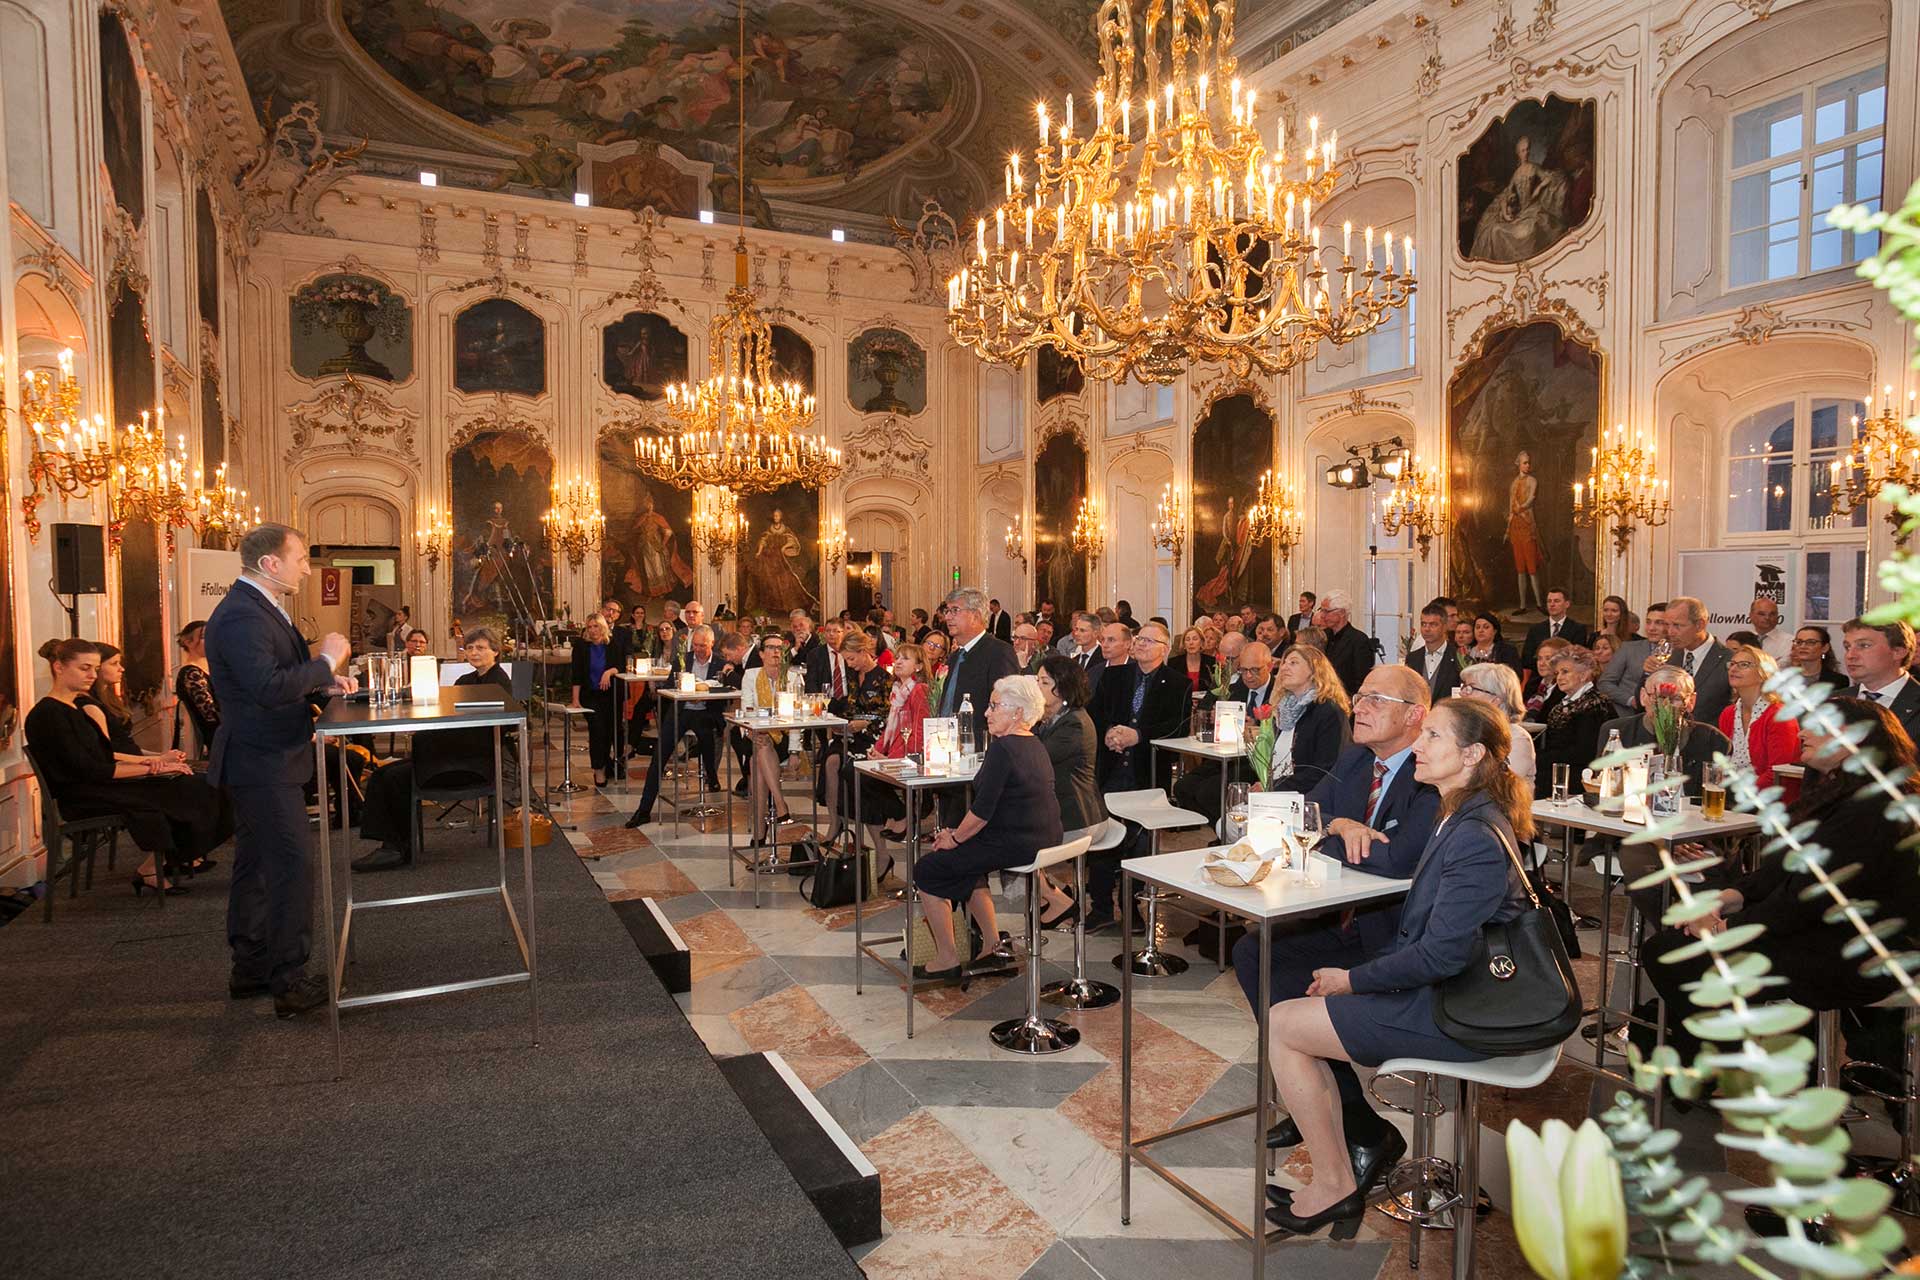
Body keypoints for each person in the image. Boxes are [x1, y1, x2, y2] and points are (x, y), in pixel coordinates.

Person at [1260, 698, 1533, 1235]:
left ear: (1473, 754)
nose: (1418, 748)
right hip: (1446, 988)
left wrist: (1352, 981)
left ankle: (1334, 1182)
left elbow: (1443, 955)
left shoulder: (1475, 834)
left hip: (1462, 1007)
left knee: (1285, 1025)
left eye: (1432, 737)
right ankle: (1337, 1173)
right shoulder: (1458, 813)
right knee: (1289, 1001)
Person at [1641, 697, 1920, 1069]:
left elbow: (1807, 896)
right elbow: (1782, 868)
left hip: (1860, 951)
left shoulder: (1873, 805)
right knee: (1676, 938)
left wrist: (1728, 927)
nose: (1802, 732)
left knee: (1674, 955)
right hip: (1824, 929)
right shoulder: (1839, 787)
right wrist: (1730, 897)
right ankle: (1725, 1062)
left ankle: (1732, 1069)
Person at [1233, 665, 1439, 1166]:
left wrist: (1331, 832)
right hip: (1343, 914)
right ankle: (1340, 1110)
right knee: (1255, 951)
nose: (1358, 707)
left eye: (1375, 700)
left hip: (1397, 936)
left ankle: (1339, 1113)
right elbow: (1300, 817)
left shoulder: (1431, 771)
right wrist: (1343, 825)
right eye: (1359, 697)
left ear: (1415, 715)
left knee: (1278, 967)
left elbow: (1396, 860)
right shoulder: (1353, 760)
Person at [203, 523, 354, 1018]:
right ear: (270, 564)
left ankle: (250, 966)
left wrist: (322, 685)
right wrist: (327, 660)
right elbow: (267, 688)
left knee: (255, 866)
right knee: (291, 866)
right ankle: (288, 979)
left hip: (262, 756)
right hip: (261, 760)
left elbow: (273, 680)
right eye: (302, 559)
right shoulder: (243, 616)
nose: (308, 568)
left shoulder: (261, 609)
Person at [28, 639, 227, 896]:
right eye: (84, 668)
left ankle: (168, 860)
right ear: (58, 667)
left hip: (101, 785)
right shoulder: (49, 714)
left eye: (95, 668)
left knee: (203, 784)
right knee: (196, 787)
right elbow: (93, 769)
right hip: (86, 795)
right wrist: (155, 768)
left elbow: (103, 757)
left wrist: (154, 764)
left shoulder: (72, 708)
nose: (92, 675)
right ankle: (163, 862)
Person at [912, 675, 1061, 983]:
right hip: (1040, 835)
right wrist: (959, 836)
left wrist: (953, 837)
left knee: (927, 869)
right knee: (970, 864)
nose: (986, 713)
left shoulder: (1004, 749)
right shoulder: (1034, 743)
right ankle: (992, 946)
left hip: (1017, 841)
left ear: (1018, 712)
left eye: (994, 706)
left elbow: (981, 813)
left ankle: (947, 958)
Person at [351, 629, 515, 872]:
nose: (473, 652)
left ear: (495, 651)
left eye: (480, 648)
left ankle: (396, 848)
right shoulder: (465, 681)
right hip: (449, 756)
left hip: (471, 764)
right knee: (382, 774)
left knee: (394, 778)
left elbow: (497, 727)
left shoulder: (499, 683)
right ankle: (393, 845)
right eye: (469, 648)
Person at [625, 623, 727, 827]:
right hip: (682, 711)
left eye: (702, 646)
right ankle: (644, 810)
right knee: (659, 755)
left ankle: (712, 775)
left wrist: (706, 694)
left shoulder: (720, 663)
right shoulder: (684, 659)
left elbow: (727, 692)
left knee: (707, 737)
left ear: (712, 643)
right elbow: (671, 684)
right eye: (695, 645)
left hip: (706, 713)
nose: (698, 650)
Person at [1030, 654, 1104, 929]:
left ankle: (1055, 899)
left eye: (1043, 681)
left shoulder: (1073, 723)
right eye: (1037, 680)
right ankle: (1046, 897)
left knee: (1011, 840)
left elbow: (1036, 760)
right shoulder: (1051, 718)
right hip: (1059, 810)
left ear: (1060, 690)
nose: (1036, 686)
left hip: (1079, 817)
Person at [1175, 641, 1276, 823]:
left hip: (1258, 762)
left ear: (1269, 666)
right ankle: (1219, 826)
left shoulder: (1279, 692)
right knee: (1183, 787)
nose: (1248, 676)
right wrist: (1218, 717)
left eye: (1255, 670)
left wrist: (1258, 726)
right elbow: (1207, 708)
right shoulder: (1235, 688)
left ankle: (1227, 830)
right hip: (1229, 754)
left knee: (1209, 792)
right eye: (1243, 670)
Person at [817, 631, 892, 845]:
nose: (849, 665)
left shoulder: (884, 679)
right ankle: (835, 821)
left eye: (851, 659)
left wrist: (866, 722)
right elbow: (850, 707)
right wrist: (842, 724)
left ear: (863, 652)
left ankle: (879, 847)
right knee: (830, 760)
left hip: (873, 738)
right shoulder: (851, 677)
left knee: (855, 773)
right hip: (851, 734)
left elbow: (889, 714)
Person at [737, 633, 807, 846]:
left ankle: (759, 831)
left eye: (779, 648)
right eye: (770, 647)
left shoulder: (794, 677)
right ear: (761, 654)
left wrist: (795, 751)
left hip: (785, 736)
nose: (776, 652)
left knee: (757, 762)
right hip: (756, 733)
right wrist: (753, 730)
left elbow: (798, 718)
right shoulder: (750, 675)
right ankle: (780, 805)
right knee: (761, 745)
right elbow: (747, 708)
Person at [1262, 644, 1353, 795]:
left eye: (1293, 662)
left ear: (1314, 670)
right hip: (1279, 793)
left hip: (1312, 799)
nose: (1284, 667)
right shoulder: (1282, 709)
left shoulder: (1328, 711)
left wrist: (1273, 787)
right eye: (1284, 663)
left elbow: (1325, 770)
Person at [866, 643, 933, 843]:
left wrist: (889, 759)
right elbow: (891, 727)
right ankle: (896, 816)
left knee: (867, 779)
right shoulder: (898, 689)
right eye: (897, 658)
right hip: (895, 750)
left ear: (919, 666)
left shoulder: (919, 689)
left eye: (905, 658)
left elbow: (919, 731)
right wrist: (877, 750)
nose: (898, 662)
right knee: (853, 771)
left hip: (911, 754)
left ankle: (902, 816)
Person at [1533, 646, 1614, 798]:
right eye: (1557, 673)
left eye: (1565, 672)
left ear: (1583, 675)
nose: (1559, 678)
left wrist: (1538, 758)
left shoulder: (1595, 704)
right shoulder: (1562, 702)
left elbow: (1583, 753)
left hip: (1581, 775)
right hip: (1557, 767)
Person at [1720, 644, 1800, 789]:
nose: (1733, 669)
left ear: (1763, 673)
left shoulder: (1780, 716)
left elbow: (1778, 773)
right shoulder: (1728, 713)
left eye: (1744, 664)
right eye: (1732, 664)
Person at [570, 614, 629, 787]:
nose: (593, 630)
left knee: (611, 731)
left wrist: (609, 672)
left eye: (596, 626)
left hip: (611, 694)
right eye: (589, 627)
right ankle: (599, 769)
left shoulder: (612, 645)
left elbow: (621, 665)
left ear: (602, 627)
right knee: (597, 730)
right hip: (590, 695)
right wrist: (575, 700)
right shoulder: (581, 646)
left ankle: (610, 764)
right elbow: (577, 674)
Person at [1458, 661, 1537, 785]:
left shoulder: (1517, 739)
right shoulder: (1464, 731)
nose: (1462, 693)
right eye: (1463, 687)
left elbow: (1500, 786)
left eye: (1470, 688)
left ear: (1495, 699)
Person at [1842, 617, 1920, 741]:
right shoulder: (1832, 701)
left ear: (1898, 652)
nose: (1850, 656)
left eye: (1864, 645)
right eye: (1847, 647)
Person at [1662, 596, 1733, 727]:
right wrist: (1648, 673)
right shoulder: (1669, 657)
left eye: (1677, 625)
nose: (1670, 632)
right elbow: (1644, 702)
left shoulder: (1729, 661)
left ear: (1700, 624)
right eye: (1667, 625)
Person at [1599, 601, 1672, 716]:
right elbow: (1605, 683)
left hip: (1666, 716)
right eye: (1648, 622)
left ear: (1670, 624)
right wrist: (1631, 700)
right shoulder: (1628, 648)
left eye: (1659, 623)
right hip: (1626, 715)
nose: (1651, 628)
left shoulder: (1680, 652)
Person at [174, 620, 221, 758]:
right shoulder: (191, 673)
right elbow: (211, 715)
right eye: (204, 637)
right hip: (218, 738)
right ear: (188, 642)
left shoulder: (211, 667)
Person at [1317, 589, 1375, 697]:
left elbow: (1362, 680)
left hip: (1345, 701)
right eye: (1321, 610)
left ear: (1342, 613)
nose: (1322, 615)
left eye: (1326, 611)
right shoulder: (1322, 636)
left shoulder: (1359, 640)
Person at [1520, 588, 1592, 670]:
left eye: (1556, 601)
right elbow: (1526, 659)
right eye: (1549, 601)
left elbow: (1577, 658)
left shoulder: (1578, 629)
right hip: (1538, 678)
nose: (1552, 604)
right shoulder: (1535, 630)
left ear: (1567, 604)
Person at [1405, 601, 1462, 701]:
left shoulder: (1458, 657)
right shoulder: (1412, 658)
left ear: (1444, 627)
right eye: (1423, 624)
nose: (1427, 629)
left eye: (1433, 624)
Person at [1465, 610, 1522, 677]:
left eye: (1486, 627)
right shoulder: (1466, 651)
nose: (1481, 630)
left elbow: (1515, 676)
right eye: (1477, 627)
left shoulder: (1507, 651)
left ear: (1495, 631)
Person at [1524, 636, 1572, 714]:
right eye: (1539, 658)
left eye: (1548, 658)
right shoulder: (1532, 683)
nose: (1541, 663)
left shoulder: (1566, 687)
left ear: (1562, 661)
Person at [1789, 624, 1846, 689]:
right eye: (1799, 642)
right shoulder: (1784, 679)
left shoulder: (1838, 680)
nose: (1803, 646)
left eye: (1811, 642)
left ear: (1825, 648)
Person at [805, 618, 849, 697]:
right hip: (826, 700)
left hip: (849, 700)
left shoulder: (850, 652)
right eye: (828, 631)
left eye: (835, 631)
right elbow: (811, 682)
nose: (831, 634)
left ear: (843, 633)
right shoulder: (815, 654)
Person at [1176, 625, 1217, 697]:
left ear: (1201, 642)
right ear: (1184, 645)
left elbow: (1214, 690)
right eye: (1187, 639)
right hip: (1181, 705)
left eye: (1195, 639)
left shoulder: (1212, 662)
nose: (1191, 643)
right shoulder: (1173, 663)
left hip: (1205, 705)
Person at [1750, 596, 1792, 664]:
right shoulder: (1741, 639)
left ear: (1778, 617)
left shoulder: (1789, 642)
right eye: (1762, 614)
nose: (1767, 617)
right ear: (1751, 615)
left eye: (1772, 614)